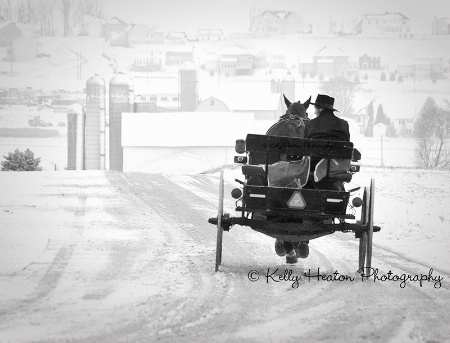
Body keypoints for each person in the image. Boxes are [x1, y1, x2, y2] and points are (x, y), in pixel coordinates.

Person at [277, 95, 351, 264]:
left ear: (318, 109)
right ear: (330, 109)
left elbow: (305, 147)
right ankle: (303, 240)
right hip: (333, 172)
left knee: (300, 189)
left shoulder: (310, 124)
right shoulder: (343, 124)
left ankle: (289, 239)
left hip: (312, 171)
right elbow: (346, 144)